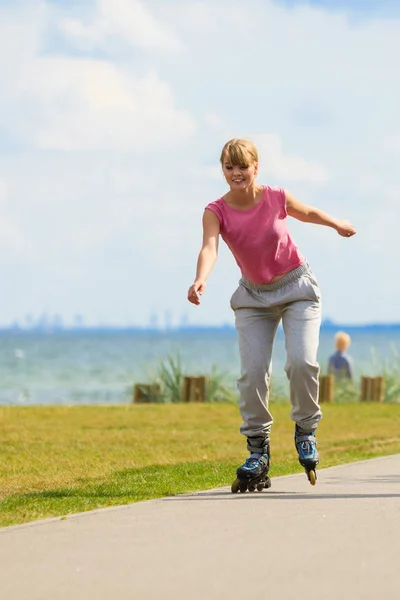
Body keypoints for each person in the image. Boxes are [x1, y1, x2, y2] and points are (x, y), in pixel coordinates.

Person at [187, 138, 356, 488]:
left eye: (242, 167)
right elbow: (209, 246)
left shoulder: (276, 196)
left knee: (301, 362)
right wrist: (201, 278)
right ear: (222, 169)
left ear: (255, 167)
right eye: (229, 167)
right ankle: (257, 448)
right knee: (251, 374)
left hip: (297, 289)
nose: (236, 173)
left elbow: (307, 212)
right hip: (253, 297)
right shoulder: (215, 211)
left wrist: (336, 223)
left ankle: (306, 430)